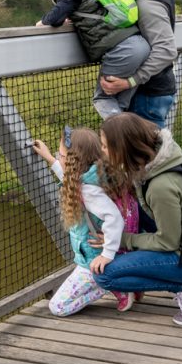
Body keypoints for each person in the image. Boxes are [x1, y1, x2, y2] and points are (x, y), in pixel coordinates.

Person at [92, 112, 182, 326]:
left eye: (106, 147)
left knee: (105, 275)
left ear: (124, 149)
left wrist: (121, 240)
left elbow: (167, 242)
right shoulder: (162, 160)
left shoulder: (161, 186)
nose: (102, 151)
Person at [30, 126, 141, 315]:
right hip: (96, 255)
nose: (59, 157)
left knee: (58, 307)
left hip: (93, 262)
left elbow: (114, 218)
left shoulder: (89, 190)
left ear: (73, 161)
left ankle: (111, 283)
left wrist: (106, 254)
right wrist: (50, 159)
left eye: (61, 155)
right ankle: (120, 282)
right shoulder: (98, 175)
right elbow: (71, 180)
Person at [37, 0, 152, 118]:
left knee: (103, 99)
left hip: (122, 50)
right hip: (139, 44)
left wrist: (43, 22)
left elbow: (56, 16)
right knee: (120, 105)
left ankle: (124, 141)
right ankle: (135, 140)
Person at [98, 0, 177, 127]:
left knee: (149, 157)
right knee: (152, 154)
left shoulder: (147, 0)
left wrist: (130, 82)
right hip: (152, 92)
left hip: (148, 96)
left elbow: (166, 50)